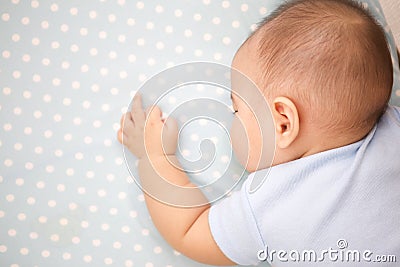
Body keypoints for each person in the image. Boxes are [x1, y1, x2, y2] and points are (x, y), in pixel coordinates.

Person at [118, 0, 400, 265]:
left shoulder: (271, 207)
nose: (231, 118)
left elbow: (188, 230)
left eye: (237, 109)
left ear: (283, 123)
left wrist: (154, 155)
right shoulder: (394, 128)